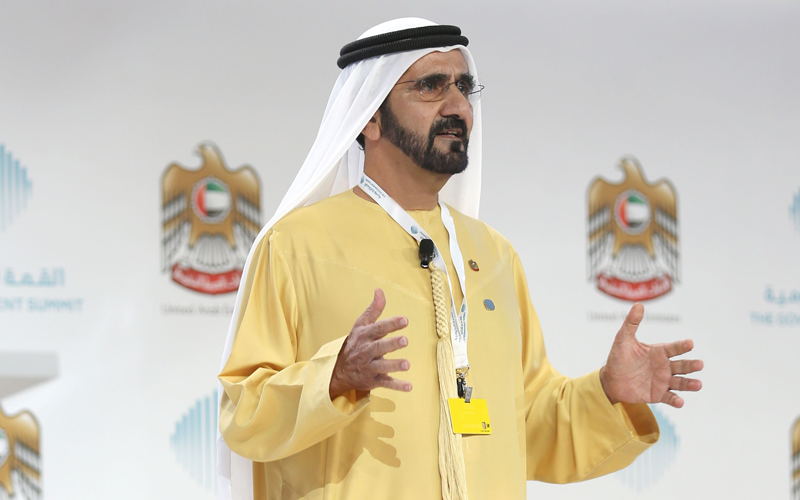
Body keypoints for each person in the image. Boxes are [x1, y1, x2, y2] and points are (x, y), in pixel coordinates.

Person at [217, 18, 703, 500]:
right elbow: (244, 414)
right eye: (431, 87)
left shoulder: (493, 254)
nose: (459, 107)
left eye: (464, 87)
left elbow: (527, 424)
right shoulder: (296, 245)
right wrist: (334, 376)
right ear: (370, 117)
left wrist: (609, 392)